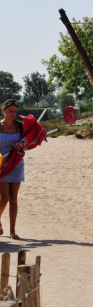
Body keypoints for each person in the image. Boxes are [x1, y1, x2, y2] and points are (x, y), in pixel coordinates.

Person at [0, 99, 24, 240]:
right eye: (10, 111)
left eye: (15, 111)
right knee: (4, 198)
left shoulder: (20, 126)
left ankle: (12, 231)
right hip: (2, 165)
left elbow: (27, 145)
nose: (13, 113)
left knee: (14, 198)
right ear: (3, 110)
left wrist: (21, 147)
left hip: (17, 164)